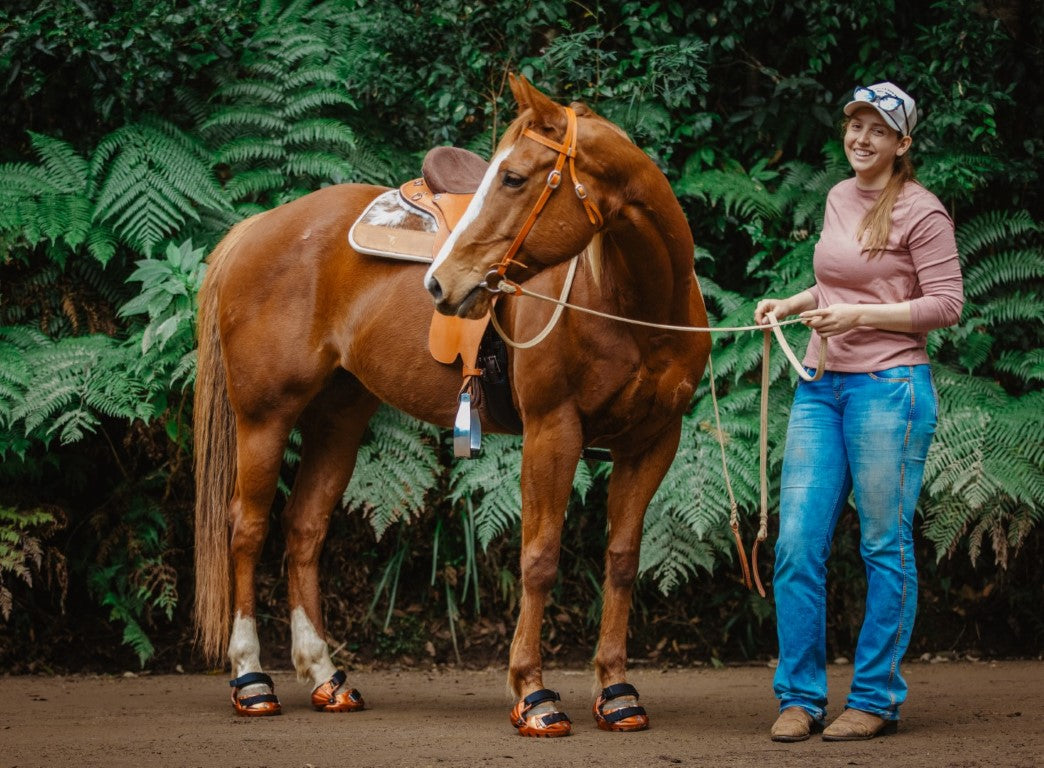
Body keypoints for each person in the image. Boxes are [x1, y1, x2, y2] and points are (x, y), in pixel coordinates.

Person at [754, 82, 964, 742]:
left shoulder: (924, 212)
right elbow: (838, 279)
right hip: (821, 385)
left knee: (883, 547)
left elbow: (946, 305)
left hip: (889, 391)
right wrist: (791, 303)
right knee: (796, 545)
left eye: (878, 130)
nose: (861, 138)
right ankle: (800, 698)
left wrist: (859, 317)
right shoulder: (840, 197)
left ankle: (875, 698)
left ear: (902, 145)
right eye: (855, 125)